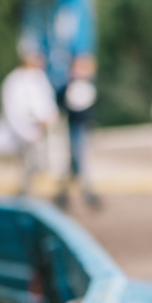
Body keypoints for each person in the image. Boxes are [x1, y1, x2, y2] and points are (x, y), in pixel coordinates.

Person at [0, 39, 58, 195]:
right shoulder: (14, 81)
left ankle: (28, 198)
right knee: (28, 168)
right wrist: (26, 133)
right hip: (25, 134)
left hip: (40, 132)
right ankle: (24, 199)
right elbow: (12, 111)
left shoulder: (39, 77)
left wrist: (49, 117)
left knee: (40, 167)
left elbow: (47, 102)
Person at [55, 53, 102, 209]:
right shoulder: (71, 85)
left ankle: (64, 194)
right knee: (78, 160)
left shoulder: (85, 85)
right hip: (75, 127)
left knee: (76, 161)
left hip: (82, 127)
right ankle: (86, 194)